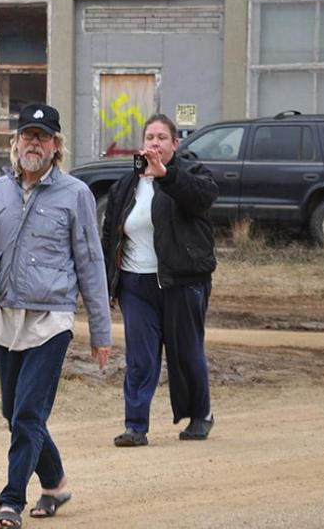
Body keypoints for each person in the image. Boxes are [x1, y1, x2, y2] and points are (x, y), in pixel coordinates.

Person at [0, 103, 112, 529]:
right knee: (14, 412)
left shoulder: (75, 194)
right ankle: (55, 483)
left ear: (56, 146)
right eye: (27, 135)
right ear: (15, 142)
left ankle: (10, 504)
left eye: (43, 136)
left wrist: (100, 332)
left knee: (27, 416)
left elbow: (91, 264)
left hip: (51, 321)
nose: (33, 143)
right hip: (4, 317)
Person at [101, 113, 218, 448]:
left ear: (175, 144)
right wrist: (111, 283)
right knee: (141, 357)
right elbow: (110, 234)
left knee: (186, 352)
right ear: (142, 144)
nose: (154, 143)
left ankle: (200, 414)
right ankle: (135, 426)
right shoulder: (126, 186)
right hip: (136, 285)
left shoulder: (191, 174)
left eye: (162, 138)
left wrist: (166, 176)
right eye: (149, 137)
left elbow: (201, 199)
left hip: (182, 281)